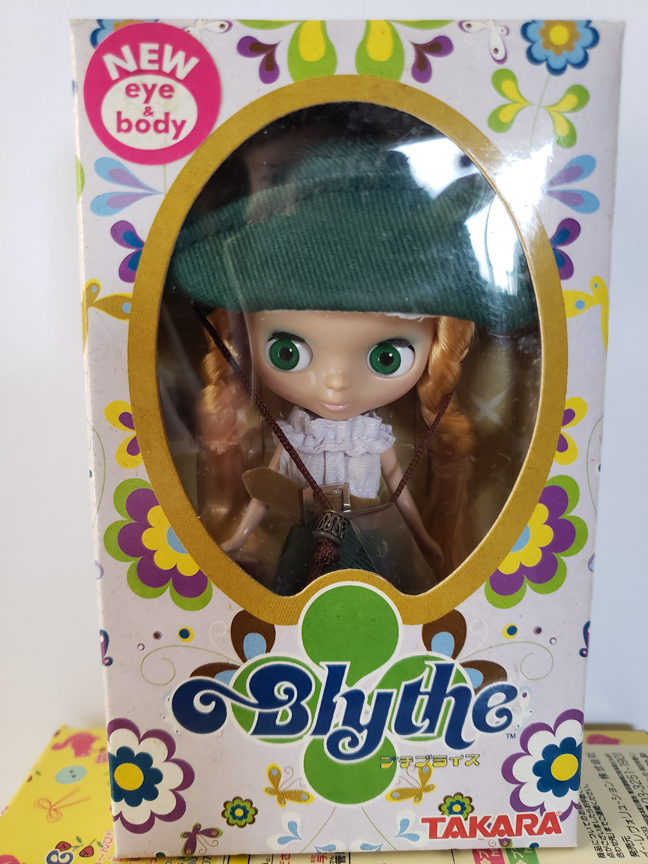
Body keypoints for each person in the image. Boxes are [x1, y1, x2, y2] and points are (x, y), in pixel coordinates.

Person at [168, 123, 537, 596]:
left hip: (370, 539)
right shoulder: (299, 437)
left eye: (386, 357)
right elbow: (266, 491)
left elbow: (400, 494)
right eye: (288, 352)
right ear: (242, 332)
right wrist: (239, 534)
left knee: (373, 596)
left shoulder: (370, 438)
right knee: (296, 594)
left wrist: (424, 538)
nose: (336, 383)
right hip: (308, 542)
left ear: (439, 342)